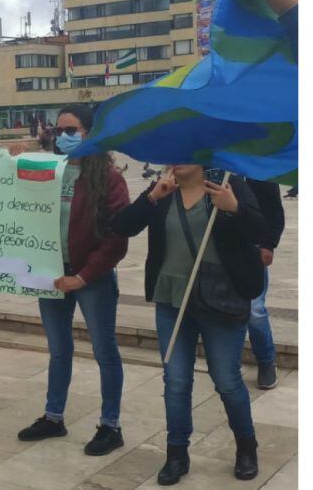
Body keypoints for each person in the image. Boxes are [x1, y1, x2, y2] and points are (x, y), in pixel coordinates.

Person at [111, 166, 264, 485]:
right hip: (171, 300)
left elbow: (260, 230)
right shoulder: (163, 190)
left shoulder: (226, 184)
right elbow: (121, 226)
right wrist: (152, 197)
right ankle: (177, 453)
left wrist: (233, 208)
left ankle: (246, 448)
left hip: (219, 298)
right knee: (176, 380)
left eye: (185, 152)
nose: (177, 159)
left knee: (226, 380)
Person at [10, 104, 130, 457]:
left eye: (71, 130)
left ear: (89, 134)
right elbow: (14, 202)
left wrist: (84, 275)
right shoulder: (48, 169)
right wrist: (12, 163)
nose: (62, 136)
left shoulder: (108, 178)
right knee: (59, 349)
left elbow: (116, 238)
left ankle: (111, 425)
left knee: (104, 350)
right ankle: (53, 416)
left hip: (90, 277)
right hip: (51, 273)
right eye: (58, 129)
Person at [245, 179, 285, 390]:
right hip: (221, 248)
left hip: (253, 249)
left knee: (254, 310)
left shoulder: (259, 174)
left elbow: (276, 215)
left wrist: (269, 245)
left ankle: (266, 360)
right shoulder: (215, 169)